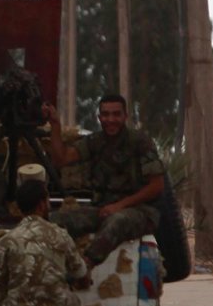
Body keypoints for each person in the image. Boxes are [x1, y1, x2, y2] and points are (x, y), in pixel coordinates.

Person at [41, 95, 165, 267]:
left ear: (125, 116)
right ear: (99, 117)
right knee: (52, 221)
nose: (110, 120)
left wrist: (120, 205)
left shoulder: (140, 142)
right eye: (106, 115)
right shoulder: (95, 141)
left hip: (139, 211)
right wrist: (55, 124)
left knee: (117, 221)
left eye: (116, 114)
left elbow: (157, 186)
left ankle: (85, 266)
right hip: (103, 209)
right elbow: (61, 159)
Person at [0, 180, 89, 306]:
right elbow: (80, 273)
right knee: (75, 301)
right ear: (41, 205)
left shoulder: (7, 241)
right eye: (47, 201)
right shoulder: (61, 235)